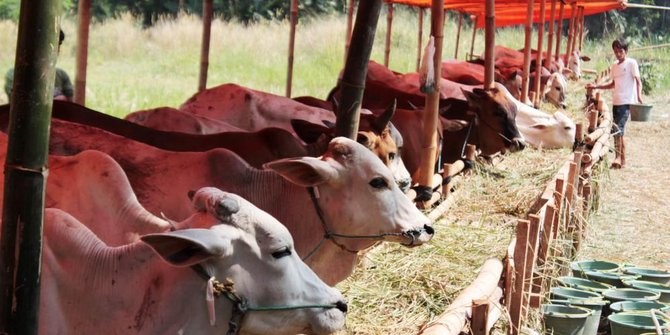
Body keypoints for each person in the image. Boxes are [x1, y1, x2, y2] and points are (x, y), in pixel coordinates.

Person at [586, 38, 642, 169]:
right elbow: (612, 84)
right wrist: (596, 86)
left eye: (620, 51)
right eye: (616, 51)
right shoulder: (615, 66)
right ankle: (622, 160)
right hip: (616, 101)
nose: (618, 54)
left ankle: (618, 158)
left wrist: (639, 96)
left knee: (618, 129)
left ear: (626, 51)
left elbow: (638, 81)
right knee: (618, 131)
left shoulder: (631, 63)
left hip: (627, 101)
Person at [4, 29, 73, 102]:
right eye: (46, 44)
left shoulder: (61, 75)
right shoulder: (15, 75)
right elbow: (20, 102)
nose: (54, 49)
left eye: (58, 45)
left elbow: (70, 106)